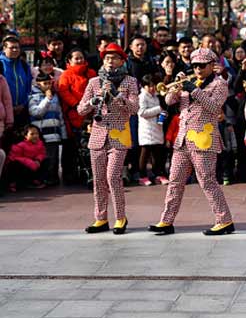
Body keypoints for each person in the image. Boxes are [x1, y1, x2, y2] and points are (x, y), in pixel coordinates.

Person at [148, 48, 234, 236]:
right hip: (183, 140)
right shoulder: (189, 81)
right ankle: (166, 221)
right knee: (174, 182)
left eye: (202, 66)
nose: (198, 69)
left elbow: (214, 108)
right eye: (195, 66)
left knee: (207, 181)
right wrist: (176, 85)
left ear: (211, 65)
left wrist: (194, 90)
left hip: (204, 140)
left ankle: (224, 220)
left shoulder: (220, 84)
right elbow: (168, 100)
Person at [77, 43, 139, 234]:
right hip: (98, 135)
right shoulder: (94, 82)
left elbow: (134, 108)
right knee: (98, 179)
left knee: (113, 177)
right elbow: (80, 110)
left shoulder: (130, 81)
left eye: (115, 58)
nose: (110, 61)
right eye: (107, 58)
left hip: (119, 134)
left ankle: (120, 217)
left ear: (122, 61)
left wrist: (117, 95)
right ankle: (101, 218)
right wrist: (92, 101)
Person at [57, 48, 97, 184]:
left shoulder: (91, 73)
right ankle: (70, 174)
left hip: (90, 113)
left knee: (89, 145)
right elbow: (63, 91)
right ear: (69, 60)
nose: (79, 60)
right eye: (76, 58)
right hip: (73, 113)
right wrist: (76, 104)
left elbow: (96, 89)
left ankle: (89, 173)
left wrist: (90, 105)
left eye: (81, 57)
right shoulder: (65, 75)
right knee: (71, 146)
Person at [29, 72, 67, 185]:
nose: (48, 86)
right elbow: (36, 113)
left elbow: (60, 115)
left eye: (49, 83)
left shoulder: (55, 97)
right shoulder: (32, 97)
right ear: (38, 84)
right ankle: (41, 179)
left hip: (53, 134)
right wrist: (47, 99)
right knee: (42, 158)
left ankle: (53, 178)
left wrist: (63, 134)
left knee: (53, 158)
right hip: (40, 134)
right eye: (45, 83)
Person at [137, 74, 168, 186]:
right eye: (149, 86)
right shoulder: (142, 97)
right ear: (143, 86)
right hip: (147, 129)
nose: (152, 88)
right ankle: (142, 176)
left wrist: (163, 114)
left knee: (157, 153)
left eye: (153, 85)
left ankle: (157, 175)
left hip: (157, 127)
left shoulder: (156, 96)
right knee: (145, 153)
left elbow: (161, 109)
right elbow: (142, 112)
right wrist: (159, 109)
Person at [1, 35, 32, 126]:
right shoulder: (0, 65)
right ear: (4, 49)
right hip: (4, 112)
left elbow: (29, 87)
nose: (15, 50)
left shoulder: (24, 65)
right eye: (12, 48)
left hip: (23, 110)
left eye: (17, 47)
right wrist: (9, 107)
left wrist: (23, 104)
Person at [6, 125, 47, 192]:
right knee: (14, 164)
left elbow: (42, 153)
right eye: (32, 134)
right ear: (25, 136)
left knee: (45, 161)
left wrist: (38, 160)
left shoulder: (40, 143)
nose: (35, 136)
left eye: (37, 133)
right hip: (22, 165)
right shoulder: (20, 145)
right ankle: (12, 183)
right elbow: (14, 157)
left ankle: (35, 180)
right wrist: (29, 162)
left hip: (33, 164)